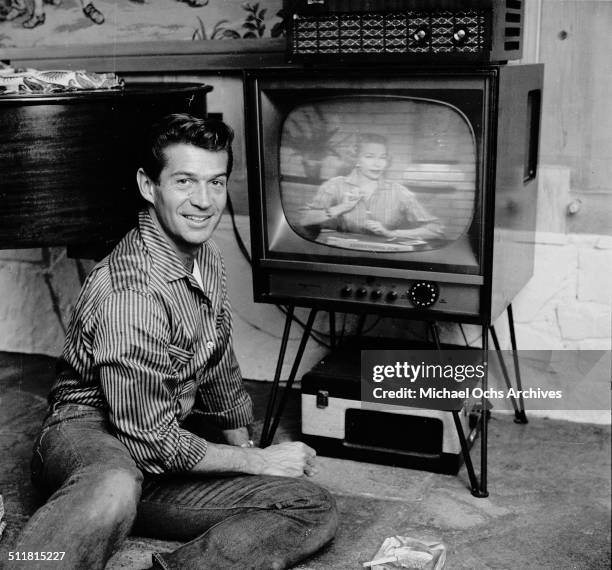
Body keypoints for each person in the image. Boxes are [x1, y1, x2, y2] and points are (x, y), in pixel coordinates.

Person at [11, 114, 338, 569]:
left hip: (161, 441)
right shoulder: (132, 295)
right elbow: (149, 441)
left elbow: (218, 358)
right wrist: (260, 463)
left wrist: (244, 448)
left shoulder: (207, 255)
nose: (204, 202)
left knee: (308, 504)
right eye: (185, 181)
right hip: (90, 435)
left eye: (216, 182)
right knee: (114, 484)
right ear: (149, 186)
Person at [300, 133, 444, 241]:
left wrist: (392, 233)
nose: (378, 164)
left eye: (382, 157)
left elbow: (436, 229)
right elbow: (304, 220)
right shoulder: (334, 185)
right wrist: (341, 208)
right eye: (369, 157)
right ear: (356, 159)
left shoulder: (399, 192)